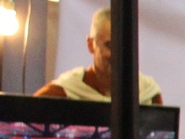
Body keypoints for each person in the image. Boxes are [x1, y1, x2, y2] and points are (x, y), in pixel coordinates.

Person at [35, 7, 165, 104]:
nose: (118, 55)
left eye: (125, 46)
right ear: (91, 45)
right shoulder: (66, 91)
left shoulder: (147, 93)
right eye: (110, 45)